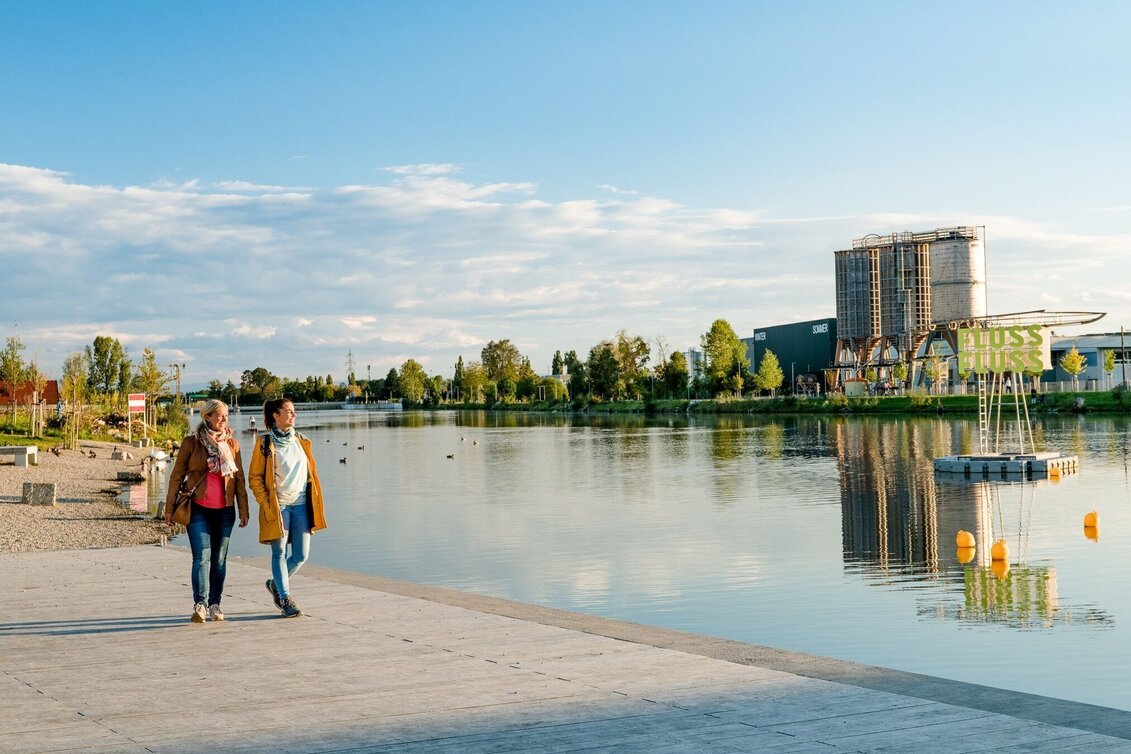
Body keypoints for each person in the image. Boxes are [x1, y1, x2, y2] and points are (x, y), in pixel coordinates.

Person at [165, 399, 249, 623]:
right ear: (207, 417)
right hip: (198, 509)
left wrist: (244, 508)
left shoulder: (232, 444)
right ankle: (200, 604)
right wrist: (168, 509)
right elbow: (176, 477)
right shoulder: (191, 443)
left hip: (225, 510)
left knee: (219, 560)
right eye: (220, 415)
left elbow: (239, 479)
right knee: (201, 557)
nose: (224, 419)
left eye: (226, 415)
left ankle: (215, 604)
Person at [248, 398, 327, 618]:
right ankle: (285, 598)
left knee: (301, 555)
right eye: (289, 412)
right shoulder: (264, 444)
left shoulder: (301, 441)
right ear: (276, 415)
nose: (294, 415)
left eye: (294, 412)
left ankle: (275, 584)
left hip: (302, 504)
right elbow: (254, 478)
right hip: (279, 505)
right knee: (279, 553)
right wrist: (267, 505)